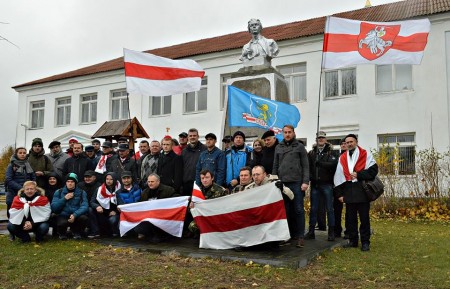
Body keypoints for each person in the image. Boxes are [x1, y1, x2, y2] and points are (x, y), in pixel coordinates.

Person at [334, 134, 378, 251]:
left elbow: (374, 171)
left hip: (362, 190)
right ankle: (353, 241)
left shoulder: (365, 154)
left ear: (356, 142)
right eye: (347, 142)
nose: (349, 144)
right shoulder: (342, 157)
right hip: (348, 191)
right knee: (350, 219)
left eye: (351, 142)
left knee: (364, 218)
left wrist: (359, 174)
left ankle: (365, 242)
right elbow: (338, 177)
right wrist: (339, 194)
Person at [273, 125, 309, 248]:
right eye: (285, 132)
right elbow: (275, 165)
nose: (287, 134)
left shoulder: (299, 147)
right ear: (282, 134)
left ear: (294, 133)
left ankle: (300, 236)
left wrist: (305, 182)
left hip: (297, 183)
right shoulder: (278, 147)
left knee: (298, 210)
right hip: (282, 183)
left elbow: (305, 166)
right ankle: (286, 235)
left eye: (289, 132)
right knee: (285, 211)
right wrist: (274, 180)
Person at [305, 131, 338, 241]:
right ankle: (311, 231)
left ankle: (331, 232)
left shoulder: (331, 152)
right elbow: (308, 167)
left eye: (323, 138)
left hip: (327, 184)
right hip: (315, 184)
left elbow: (334, 164)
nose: (321, 139)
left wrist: (321, 163)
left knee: (329, 208)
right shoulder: (311, 153)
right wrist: (309, 176)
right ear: (316, 139)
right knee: (313, 208)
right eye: (319, 138)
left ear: (326, 139)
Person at [136, 173, 179, 242]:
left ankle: (163, 236)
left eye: (152, 182)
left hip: (164, 218)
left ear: (158, 181)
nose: (150, 183)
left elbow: (177, 199)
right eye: (149, 182)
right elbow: (140, 204)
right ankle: (152, 235)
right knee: (138, 228)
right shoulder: (145, 192)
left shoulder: (168, 190)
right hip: (149, 218)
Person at [188, 170, 227, 235]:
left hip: (217, 217)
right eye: (202, 178)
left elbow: (226, 207)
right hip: (203, 217)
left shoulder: (221, 190)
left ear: (212, 178)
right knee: (192, 226)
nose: (204, 180)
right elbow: (191, 211)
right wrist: (191, 207)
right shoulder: (197, 191)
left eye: (207, 177)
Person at [51, 173, 89, 240]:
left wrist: (75, 214)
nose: (70, 183)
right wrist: (64, 199)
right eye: (68, 181)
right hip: (63, 215)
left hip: (76, 215)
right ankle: (62, 234)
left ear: (75, 183)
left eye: (72, 181)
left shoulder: (82, 192)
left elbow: (85, 206)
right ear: (65, 182)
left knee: (84, 218)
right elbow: (54, 207)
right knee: (60, 222)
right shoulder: (59, 192)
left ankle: (77, 232)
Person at [5, 147, 36, 218]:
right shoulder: (12, 165)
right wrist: (21, 188)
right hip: (14, 193)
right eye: (20, 153)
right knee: (13, 215)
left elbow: (33, 177)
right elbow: (8, 179)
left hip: (27, 193)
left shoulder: (28, 165)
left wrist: (33, 185)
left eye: (24, 153)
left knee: (25, 215)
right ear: (16, 154)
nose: (22, 154)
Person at [89, 172, 121, 238]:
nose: (108, 181)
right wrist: (97, 206)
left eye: (111, 179)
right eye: (107, 179)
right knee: (90, 210)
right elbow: (92, 201)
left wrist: (116, 211)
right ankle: (95, 232)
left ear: (114, 180)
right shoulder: (99, 189)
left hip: (114, 213)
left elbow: (121, 203)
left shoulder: (119, 189)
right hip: (102, 212)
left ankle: (114, 232)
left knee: (113, 220)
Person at [181, 128, 206, 196]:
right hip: (186, 183)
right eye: (190, 136)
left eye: (194, 135)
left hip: (199, 183)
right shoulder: (184, 151)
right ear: (188, 137)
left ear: (198, 136)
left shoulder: (204, 149)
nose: (192, 137)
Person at [334, 137, 348, 238]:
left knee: (350, 211)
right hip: (338, 187)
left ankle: (348, 231)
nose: (343, 145)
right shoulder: (337, 157)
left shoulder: (352, 156)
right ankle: (337, 230)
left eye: (345, 143)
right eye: (342, 144)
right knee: (337, 211)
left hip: (349, 187)